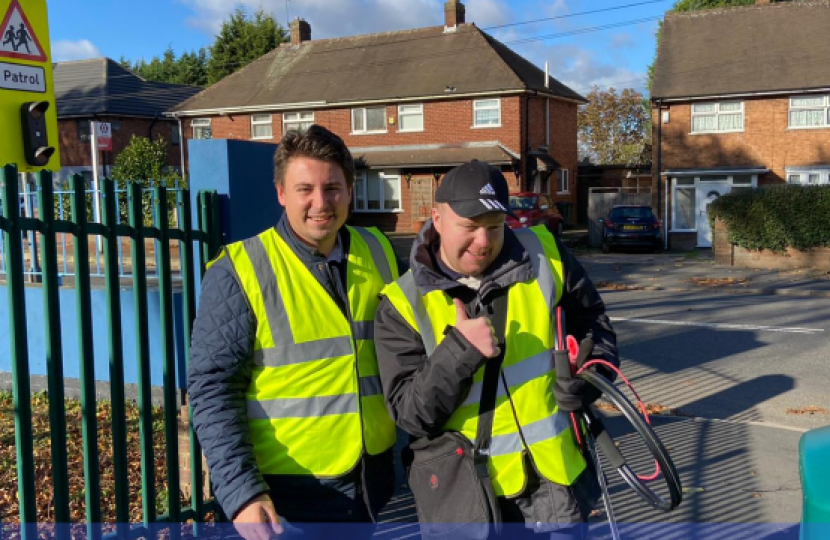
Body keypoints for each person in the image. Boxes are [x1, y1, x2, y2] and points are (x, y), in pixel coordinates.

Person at [374, 160, 618, 539]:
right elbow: (411, 416)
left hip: (556, 489)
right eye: (469, 228)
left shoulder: (546, 254)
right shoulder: (401, 303)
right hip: (471, 502)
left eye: (494, 227)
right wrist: (458, 351)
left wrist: (591, 374)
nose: (484, 242)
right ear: (437, 219)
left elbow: (594, 323)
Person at [188, 125, 401, 540]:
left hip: (370, 482)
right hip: (286, 496)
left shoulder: (378, 250)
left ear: (350, 190)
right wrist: (242, 492)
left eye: (332, 187)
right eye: (305, 189)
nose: (320, 203)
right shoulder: (242, 269)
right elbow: (212, 387)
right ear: (281, 193)